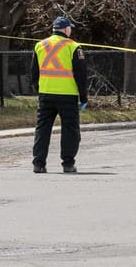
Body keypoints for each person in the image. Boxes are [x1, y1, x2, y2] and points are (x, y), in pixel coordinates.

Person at [31, 16, 88, 174]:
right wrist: (83, 98)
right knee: (70, 130)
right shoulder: (74, 46)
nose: (71, 30)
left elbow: (33, 74)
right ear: (66, 29)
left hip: (46, 95)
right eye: (70, 28)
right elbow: (81, 75)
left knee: (42, 129)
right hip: (67, 95)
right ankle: (68, 164)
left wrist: (40, 90)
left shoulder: (40, 45)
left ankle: (38, 163)